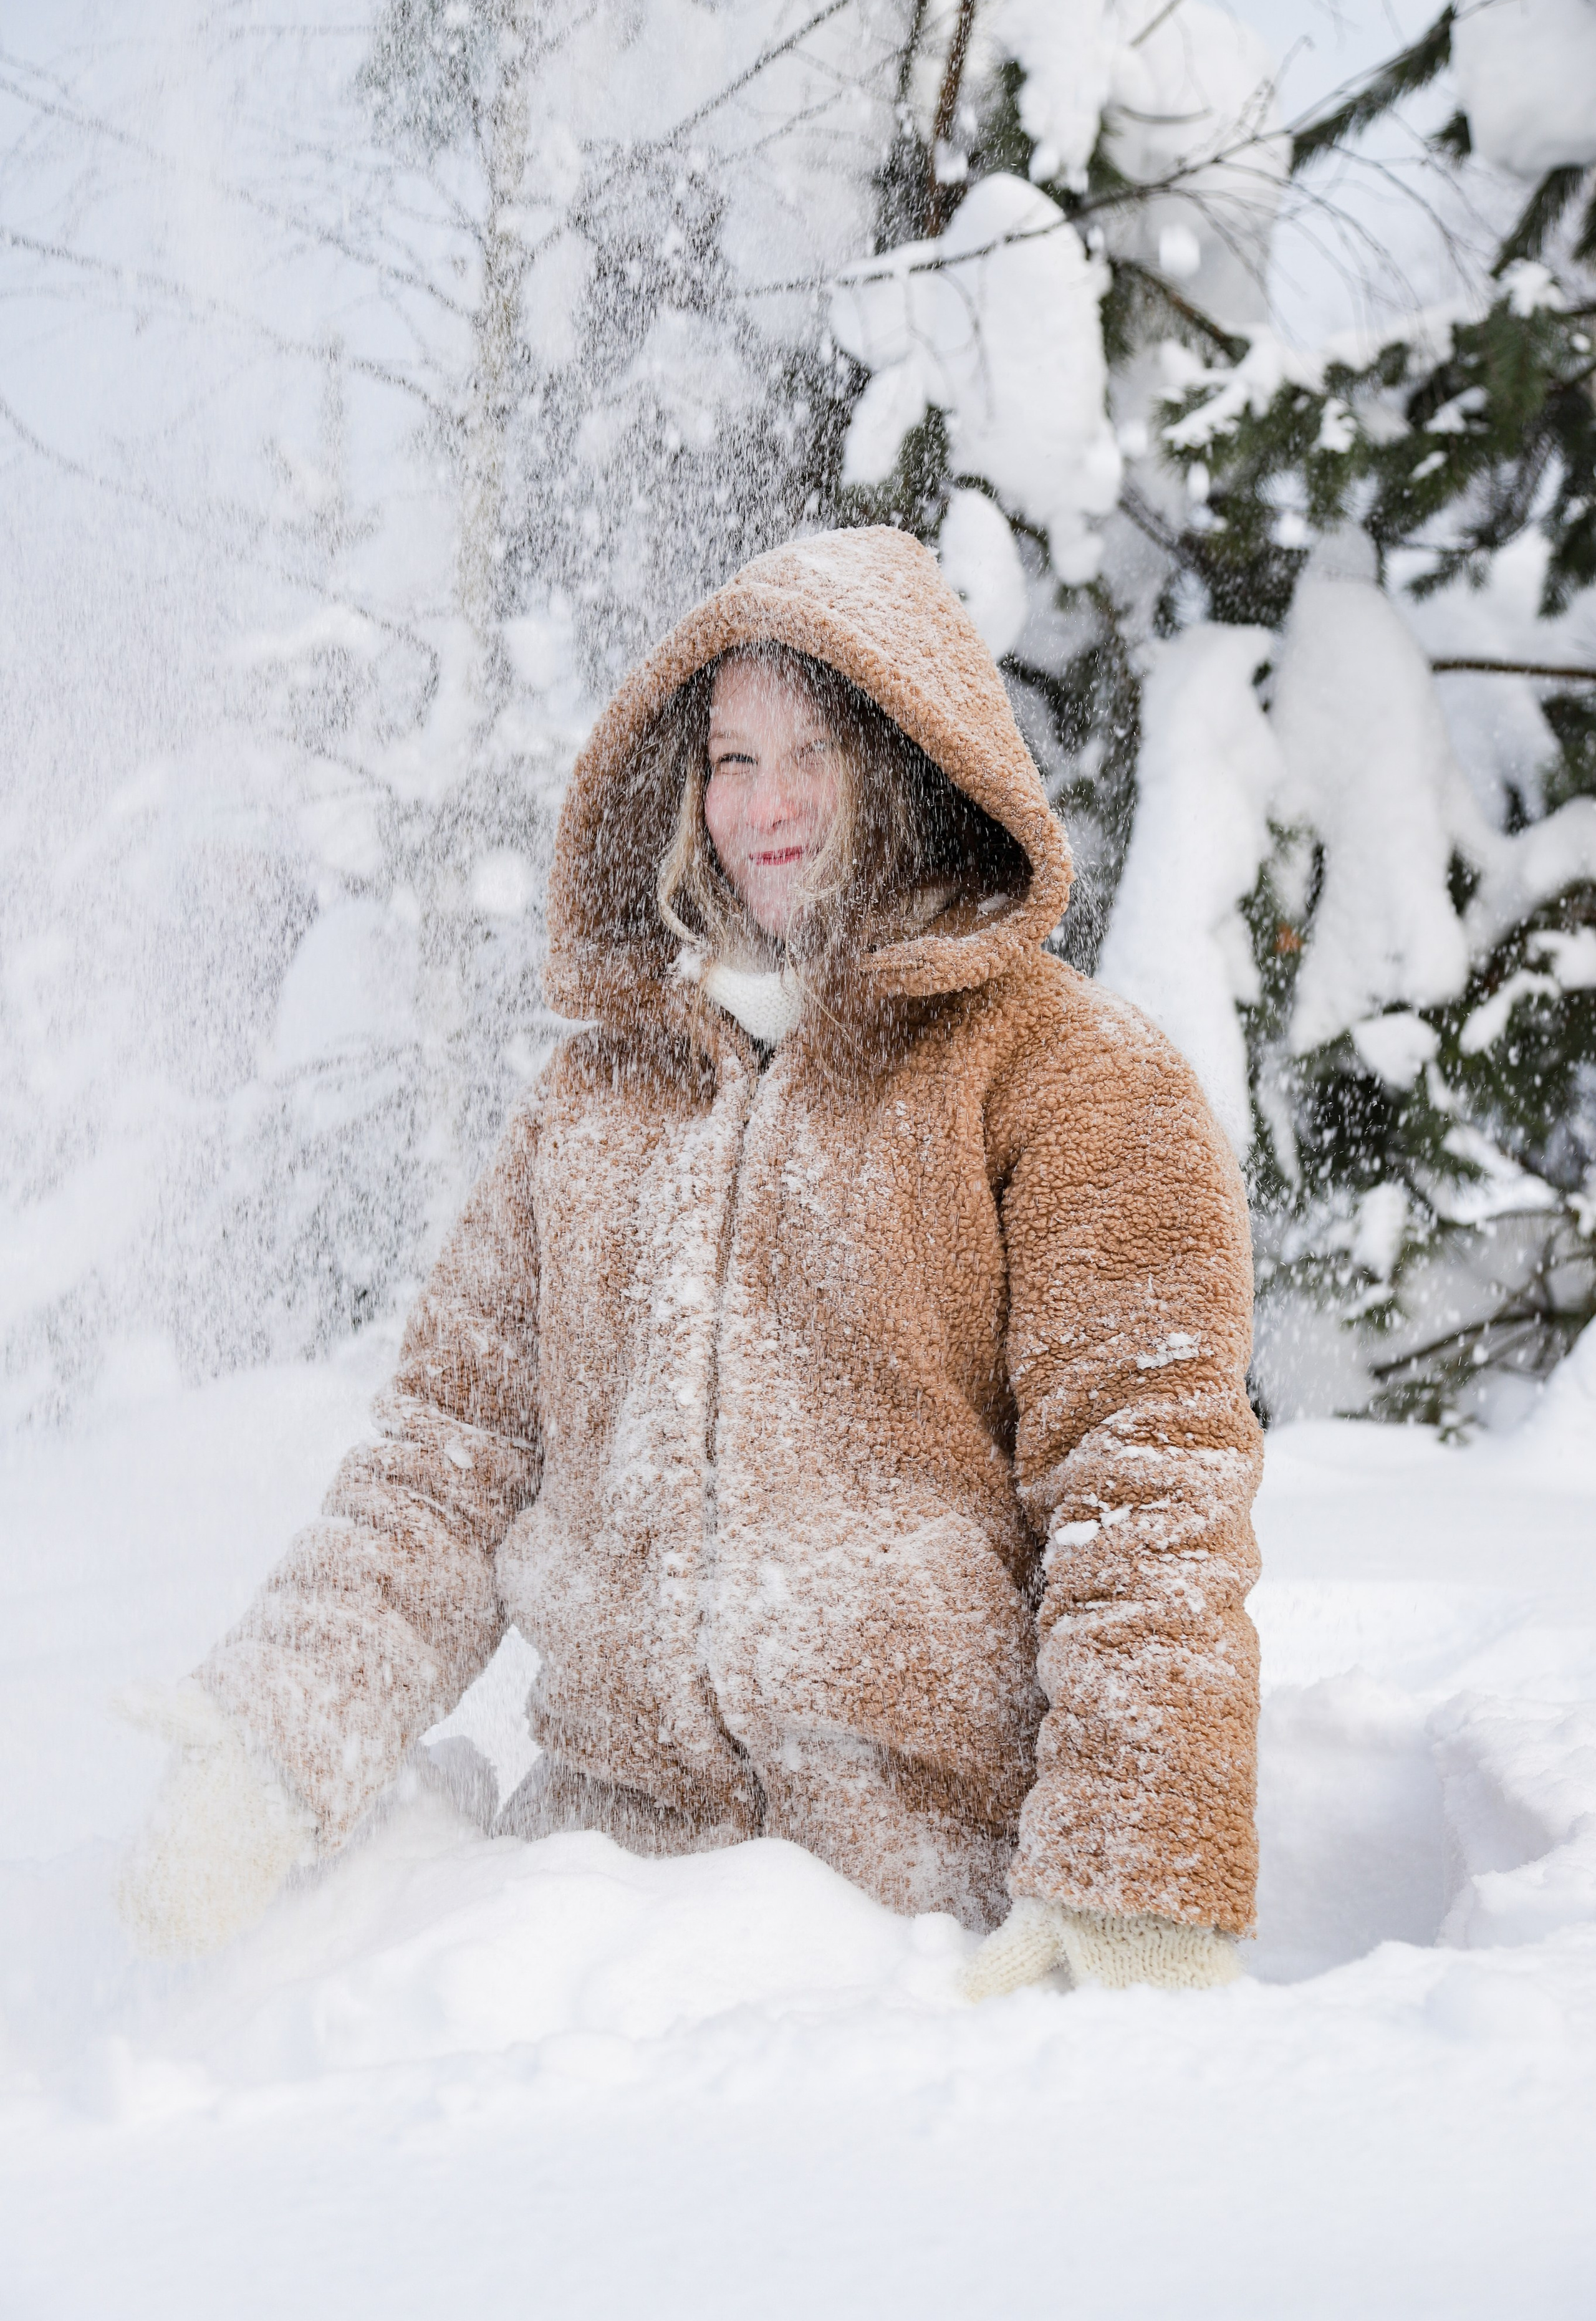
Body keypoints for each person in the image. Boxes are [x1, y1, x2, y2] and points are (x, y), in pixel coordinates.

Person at [118, 526, 1262, 1997]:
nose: (763, 806)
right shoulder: (594, 1101)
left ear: (908, 761)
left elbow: (1143, 1486)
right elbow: (447, 1459)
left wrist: (1133, 1873)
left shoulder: (1070, 1074)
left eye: (811, 753)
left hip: (920, 1932)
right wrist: (274, 1740)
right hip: (592, 1910)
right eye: (731, 759)